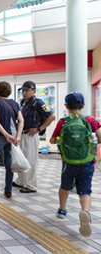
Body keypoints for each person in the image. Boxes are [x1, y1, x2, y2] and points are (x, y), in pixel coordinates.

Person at [50, 92, 101, 237]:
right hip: (87, 162)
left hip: (68, 162)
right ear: (83, 105)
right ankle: (85, 211)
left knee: (65, 186)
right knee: (85, 190)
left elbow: (52, 141)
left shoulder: (62, 122)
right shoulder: (91, 120)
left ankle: (62, 209)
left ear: (66, 106)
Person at [13, 81, 56, 193]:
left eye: (28, 90)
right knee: (22, 159)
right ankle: (21, 181)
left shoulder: (38, 103)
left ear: (34, 91)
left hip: (31, 135)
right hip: (21, 135)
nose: (25, 92)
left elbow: (52, 116)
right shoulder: (23, 102)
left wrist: (39, 129)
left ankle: (31, 185)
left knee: (31, 160)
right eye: (23, 90)